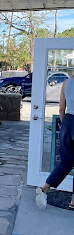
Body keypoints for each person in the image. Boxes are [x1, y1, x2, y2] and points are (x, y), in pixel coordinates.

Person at [36, 76, 74, 210]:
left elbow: (61, 109)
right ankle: (73, 201)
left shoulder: (66, 83)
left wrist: (65, 125)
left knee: (67, 161)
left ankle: (45, 187)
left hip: (67, 121)